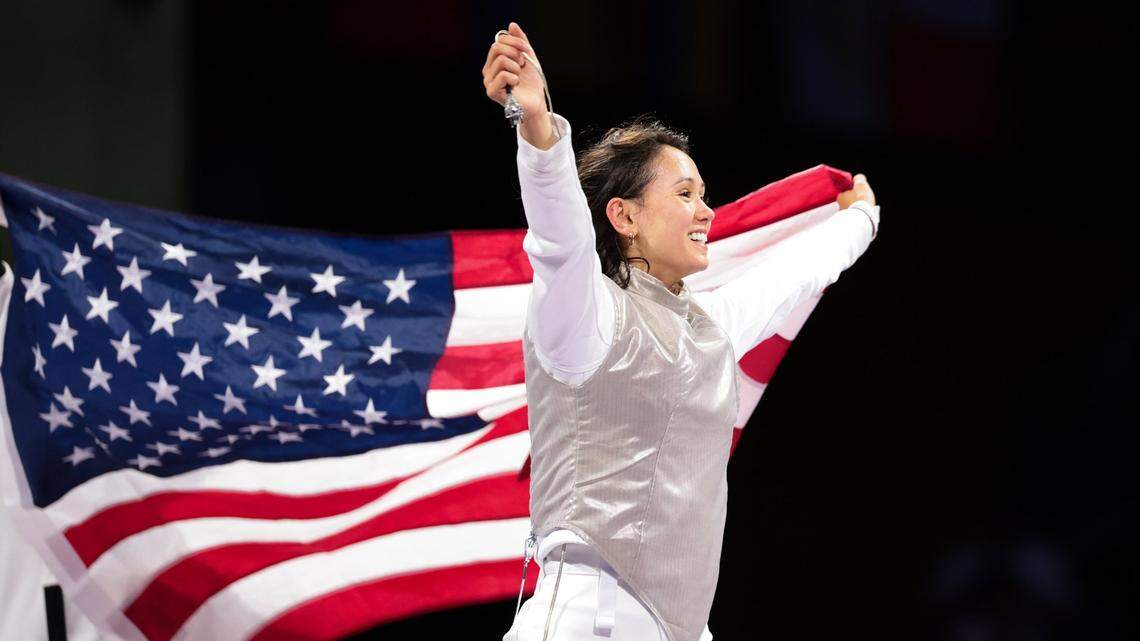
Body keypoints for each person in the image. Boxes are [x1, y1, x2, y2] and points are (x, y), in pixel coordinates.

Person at [483, 22, 880, 641]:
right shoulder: (585, 317)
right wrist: (536, 129)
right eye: (685, 193)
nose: (706, 212)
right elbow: (560, 238)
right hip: (588, 622)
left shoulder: (709, 328)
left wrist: (861, 223)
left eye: (704, 194)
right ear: (625, 215)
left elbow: (794, 274)